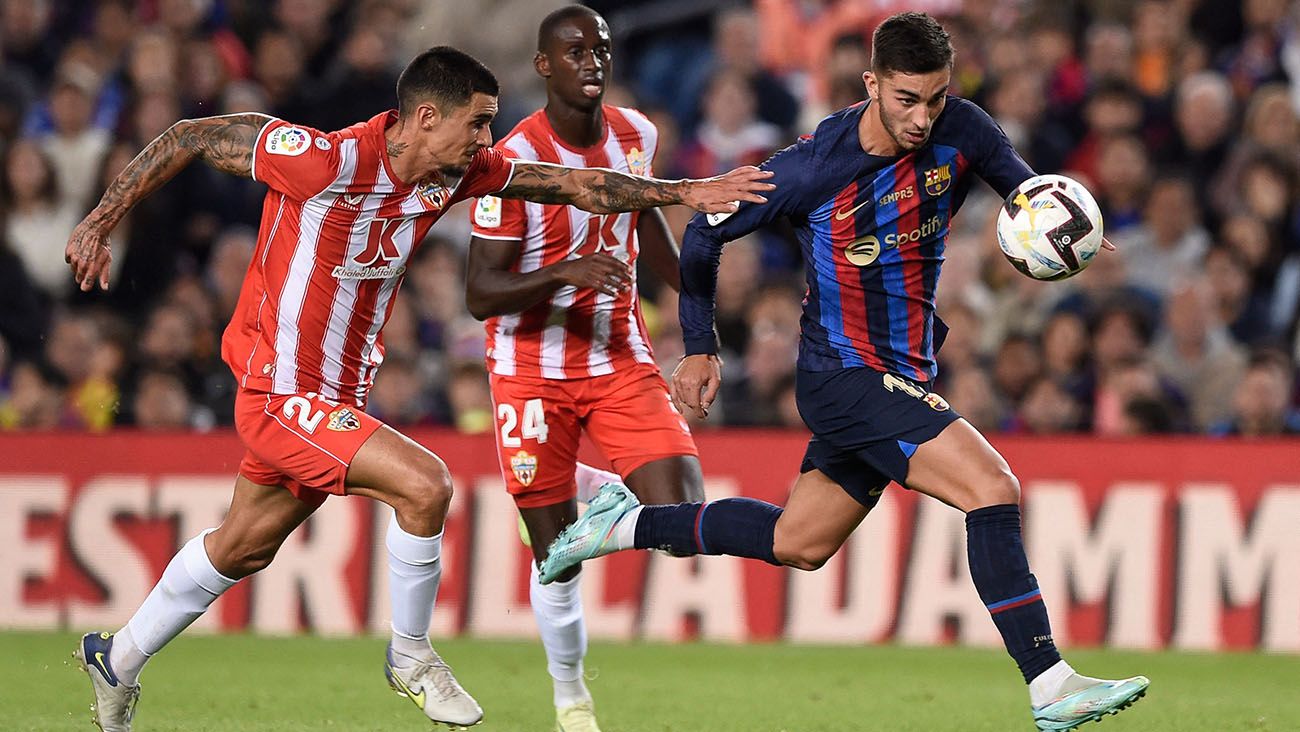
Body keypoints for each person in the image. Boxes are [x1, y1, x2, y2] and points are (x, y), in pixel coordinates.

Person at [64, 46, 772, 732]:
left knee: (243, 546)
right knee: (426, 486)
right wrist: (99, 221)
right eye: (478, 122)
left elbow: (573, 184)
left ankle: (117, 658)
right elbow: (192, 134)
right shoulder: (324, 160)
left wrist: (682, 193)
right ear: (427, 117)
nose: (487, 140)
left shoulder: (455, 173)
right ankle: (410, 655)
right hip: (280, 393)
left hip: (339, 398)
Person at [538, 13, 1149, 732]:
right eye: (906, 99)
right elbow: (704, 231)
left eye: (935, 98)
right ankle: (1050, 683)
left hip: (904, 373)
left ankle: (623, 523)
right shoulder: (812, 167)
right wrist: (700, 344)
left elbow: (1026, 196)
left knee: (799, 542)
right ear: (872, 84)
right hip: (843, 377)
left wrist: (1068, 233)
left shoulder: (965, 128)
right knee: (992, 486)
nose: (922, 118)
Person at [464, 8, 704, 731]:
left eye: (600, 48)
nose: (592, 61)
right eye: (573, 51)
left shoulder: (637, 135)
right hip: (530, 369)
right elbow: (480, 292)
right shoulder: (512, 163)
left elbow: (645, 220)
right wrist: (564, 271)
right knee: (556, 560)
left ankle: (591, 497)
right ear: (544, 65)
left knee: (681, 519)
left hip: (617, 356)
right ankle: (570, 697)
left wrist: (698, 305)